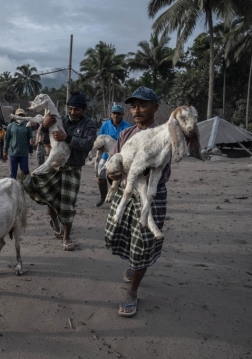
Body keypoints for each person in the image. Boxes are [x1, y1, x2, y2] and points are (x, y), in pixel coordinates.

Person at [104, 87, 169, 318]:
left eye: (142, 105)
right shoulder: (125, 134)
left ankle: (132, 291)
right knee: (123, 237)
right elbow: (113, 159)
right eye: (133, 106)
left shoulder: (163, 135)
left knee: (142, 243)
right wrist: (110, 173)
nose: (136, 110)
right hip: (125, 193)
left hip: (149, 197)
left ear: (155, 107)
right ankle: (133, 266)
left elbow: (162, 170)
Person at [23, 92, 97, 251]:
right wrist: (43, 126)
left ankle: (66, 238)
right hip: (55, 166)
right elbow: (45, 141)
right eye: (70, 109)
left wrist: (67, 138)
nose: (72, 112)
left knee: (67, 204)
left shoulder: (88, 124)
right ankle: (55, 223)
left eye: (76, 109)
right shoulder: (60, 119)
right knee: (46, 196)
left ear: (83, 110)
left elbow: (88, 144)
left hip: (72, 168)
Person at [95, 104, 131, 207]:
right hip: (106, 156)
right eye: (114, 113)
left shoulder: (127, 126)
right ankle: (103, 196)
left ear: (122, 115)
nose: (116, 116)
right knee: (100, 175)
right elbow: (100, 138)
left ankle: (118, 196)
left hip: (121, 157)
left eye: (119, 114)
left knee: (119, 177)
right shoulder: (105, 125)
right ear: (111, 114)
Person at [3, 108, 33, 179]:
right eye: (19, 115)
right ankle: (13, 187)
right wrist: (5, 151)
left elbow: (30, 136)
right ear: (15, 116)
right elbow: (7, 139)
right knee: (13, 172)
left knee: (25, 171)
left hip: (24, 153)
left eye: (22, 115)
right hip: (13, 153)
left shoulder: (27, 125)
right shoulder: (10, 126)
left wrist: (31, 140)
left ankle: (26, 187)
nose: (20, 116)